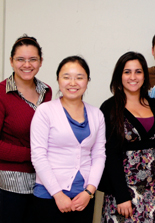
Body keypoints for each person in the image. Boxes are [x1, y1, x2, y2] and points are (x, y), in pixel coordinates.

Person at [99, 51, 155, 222]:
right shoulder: (110, 107)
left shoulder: (154, 105)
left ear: (145, 76)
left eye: (138, 71)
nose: (133, 77)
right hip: (125, 192)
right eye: (127, 72)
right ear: (119, 76)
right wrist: (121, 195)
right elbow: (109, 154)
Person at [30, 56, 106, 222]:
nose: (73, 83)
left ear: (87, 81)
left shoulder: (96, 114)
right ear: (58, 79)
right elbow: (38, 155)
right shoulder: (45, 111)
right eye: (66, 77)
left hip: (83, 198)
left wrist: (89, 192)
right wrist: (58, 194)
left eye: (79, 77)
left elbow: (99, 155)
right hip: (49, 197)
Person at [0, 35, 52, 223]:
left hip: (42, 182)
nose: (27, 65)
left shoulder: (46, 91)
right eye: (20, 59)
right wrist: (33, 154)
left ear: (40, 62)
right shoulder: (1, 94)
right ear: (11, 62)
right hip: (10, 185)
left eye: (33, 59)